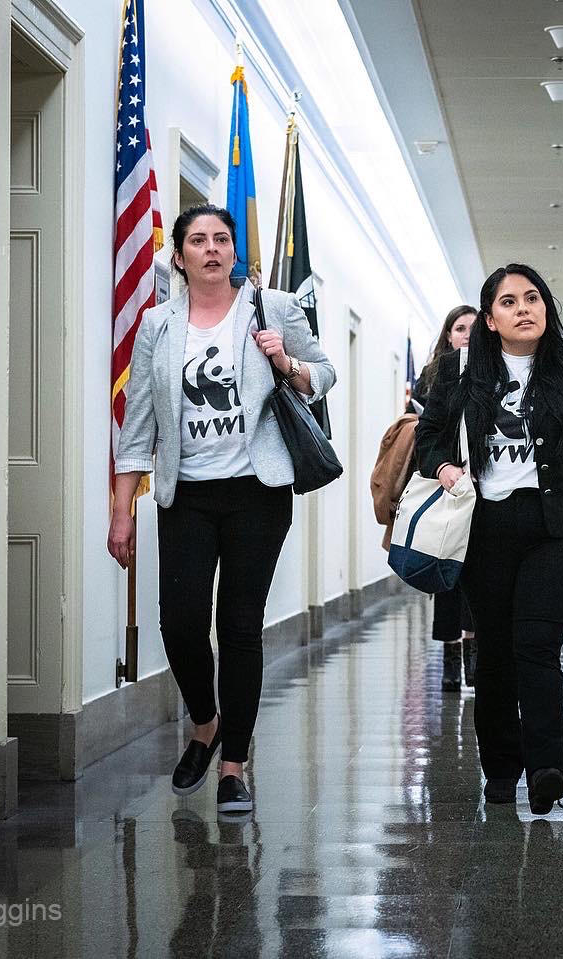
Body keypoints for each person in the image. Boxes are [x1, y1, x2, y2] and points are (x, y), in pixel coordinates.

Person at [108, 203, 336, 815]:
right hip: (187, 493)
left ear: (235, 251)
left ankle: (233, 763)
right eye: (198, 240)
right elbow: (138, 423)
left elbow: (325, 373)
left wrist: (284, 362)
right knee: (179, 623)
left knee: (238, 626)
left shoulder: (275, 308)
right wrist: (122, 508)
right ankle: (205, 723)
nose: (212, 248)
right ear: (179, 256)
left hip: (257, 492)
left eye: (222, 239)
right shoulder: (157, 326)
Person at [414, 264, 563, 815]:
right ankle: (499, 771)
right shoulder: (458, 372)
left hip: (559, 525)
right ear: (490, 319)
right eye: (509, 301)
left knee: (538, 645)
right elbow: (428, 438)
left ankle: (546, 765)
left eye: (533, 297)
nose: (524, 308)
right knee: (494, 653)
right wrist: (445, 467)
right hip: (486, 528)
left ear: (547, 307)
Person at [412, 305, 479, 692]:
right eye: (459, 327)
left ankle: (473, 651)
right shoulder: (431, 377)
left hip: (479, 488)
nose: (467, 334)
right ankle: (451, 658)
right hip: (442, 483)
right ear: (448, 335)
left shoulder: (491, 374)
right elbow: (425, 432)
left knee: (474, 573)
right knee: (447, 573)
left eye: (474, 328)